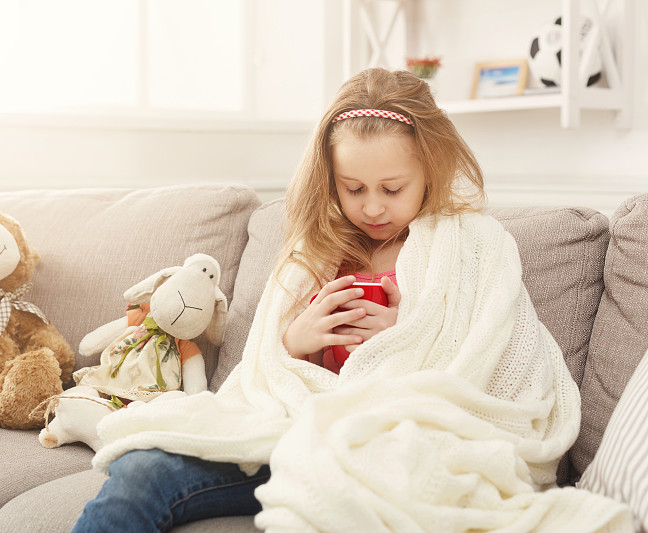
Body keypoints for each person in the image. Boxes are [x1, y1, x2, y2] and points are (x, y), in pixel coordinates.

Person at [72, 68, 624, 532]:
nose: (373, 208)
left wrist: (406, 337)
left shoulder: (474, 245)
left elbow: (494, 359)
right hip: (287, 428)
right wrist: (295, 341)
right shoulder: (313, 249)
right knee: (141, 469)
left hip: (395, 441)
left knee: (352, 486)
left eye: (392, 188)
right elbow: (263, 372)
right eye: (353, 188)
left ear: (430, 169)